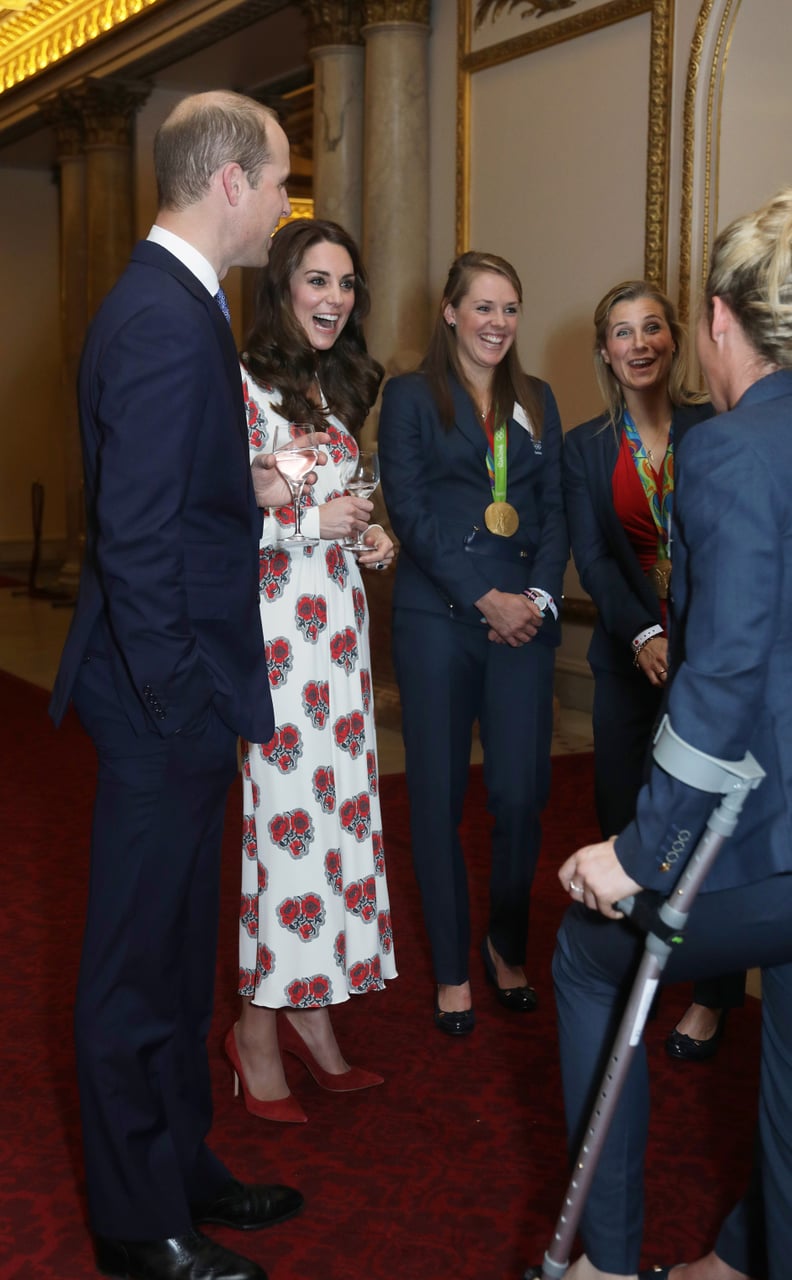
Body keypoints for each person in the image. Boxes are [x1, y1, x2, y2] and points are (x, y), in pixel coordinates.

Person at [49, 92, 306, 1280]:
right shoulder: (161, 317)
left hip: (186, 689)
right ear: (230, 183)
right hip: (166, 695)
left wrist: (242, 479)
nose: (288, 206)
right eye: (282, 180)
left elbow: (178, 497)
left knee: (179, 944)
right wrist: (183, 701)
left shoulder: (182, 303)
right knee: (135, 967)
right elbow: (139, 540)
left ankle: (180, 1162)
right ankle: (132, 1217)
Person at [552, 187, 792, 1280]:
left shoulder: (733, 451)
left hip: (774, 831)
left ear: (714, 320)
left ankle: (603, 1258)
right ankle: (750, 1250)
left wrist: (638, 853)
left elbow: (728, 671)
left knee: (587, 955)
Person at [226, 218, 397, 1123]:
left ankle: (317, 1017)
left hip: (337, 639)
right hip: (279, 645)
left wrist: (365, 530)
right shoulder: (244, 384)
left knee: (338, 824)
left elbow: (331, 502)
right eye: (317, 280)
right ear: (284, 286)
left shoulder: (328, 392)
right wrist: (302, 526)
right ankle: (256, 1028)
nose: (334, 299)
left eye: (346, 284)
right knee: (287, 829)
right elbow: (215, 514)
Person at [378, 250, 567, 1034]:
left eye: (510, 308)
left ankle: (506, 944)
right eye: (482, 306)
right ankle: (453, 968)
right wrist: (481, 594)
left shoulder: (538, 399)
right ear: (451, 312)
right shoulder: (411, 398)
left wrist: (536, 598)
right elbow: (410, 509)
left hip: (522, 621)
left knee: (522, 795)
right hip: (439, 619)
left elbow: (556, 509)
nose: (497, 322)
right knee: (437, 797)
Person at [563, 280, 744, 1061]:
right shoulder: (585, 446)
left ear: (677, 339)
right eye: (622, 332)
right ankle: (632, 966)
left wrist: (694, 640)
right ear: (604, 350)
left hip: (708, 657)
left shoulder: (717, 426)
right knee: (622, 811)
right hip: (626, 656)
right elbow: (594, 557)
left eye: (652, 329)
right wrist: (640, 632)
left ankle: (712, 994)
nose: (639, 344)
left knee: (706, 828)